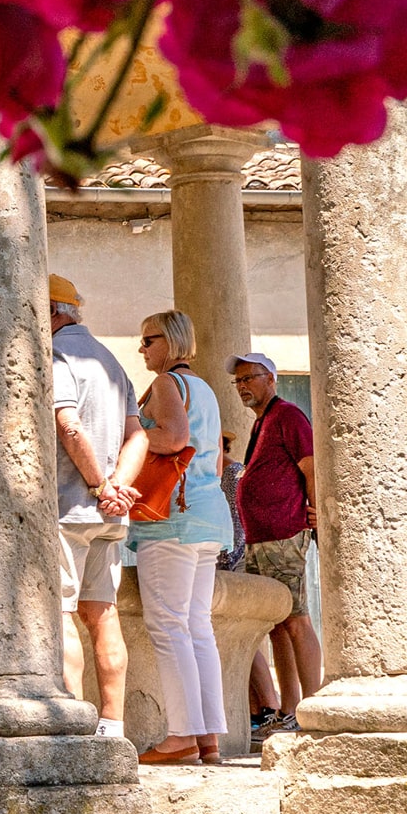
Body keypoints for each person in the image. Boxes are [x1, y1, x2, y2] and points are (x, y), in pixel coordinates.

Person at [122, 310, 239, 765]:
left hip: (172, 517)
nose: (142, 349)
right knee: (196, 627)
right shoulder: (206, 389)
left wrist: (132, 432)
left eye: (148, 341)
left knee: (169, 627)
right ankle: (207, 737)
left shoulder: (169, 385)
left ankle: (181, 736)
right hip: (209, 517)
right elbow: (210, 464)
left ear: (169, 343)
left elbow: (172, 438)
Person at [48, 275, 138, 739]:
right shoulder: (112, 360)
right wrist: (118, 487)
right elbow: (137, 435)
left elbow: (69, 426)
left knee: (59, 613)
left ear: (50, 312)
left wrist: (101, 484)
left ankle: (72, 726)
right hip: (109, 515)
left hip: (69, 508)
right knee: (103, 613)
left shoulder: (59, 356)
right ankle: (112, 725)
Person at [230, 352, 323, 731]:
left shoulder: (287, 415)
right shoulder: (261, 423)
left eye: (249, 378)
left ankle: (314, 709)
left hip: (284, 534)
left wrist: (317, 514)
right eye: (238, 382)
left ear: (271, 378)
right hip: (261, 537)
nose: (242, 387)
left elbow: (311, 466)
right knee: (277, 624)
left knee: (296, 620)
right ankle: (290, 710)